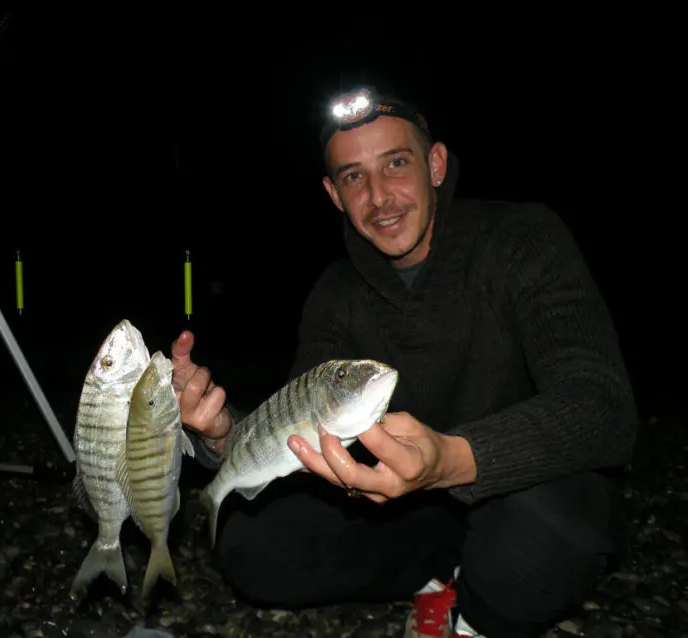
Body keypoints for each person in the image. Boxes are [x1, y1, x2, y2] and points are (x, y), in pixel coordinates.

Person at [170, 87, 639, 638]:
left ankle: (475, 614)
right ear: (334, 194)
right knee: (254, 548)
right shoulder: (335, 292)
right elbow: (296, 419)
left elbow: (602, 406)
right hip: (408, 509)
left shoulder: (523, 238)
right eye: (353, 177)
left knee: (549, 533)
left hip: (522, 493)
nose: (379, 196)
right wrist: (224, 436)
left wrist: (451, 458)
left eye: (396, 163)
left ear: (435, 164)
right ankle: (442, 572)